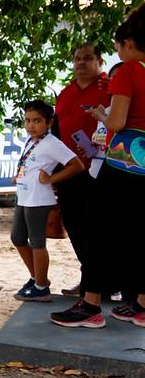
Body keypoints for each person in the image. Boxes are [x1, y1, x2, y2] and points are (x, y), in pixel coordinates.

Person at [51, 4, 145, 328]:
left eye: (118, 46)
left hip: (122, 159)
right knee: (137, 230)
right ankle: (141, 304)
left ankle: (90, 305)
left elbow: (118, 122)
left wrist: (104, 117)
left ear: (128, 44)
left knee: (93, 226)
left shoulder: (129, 71)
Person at [11, 99, 83, 302]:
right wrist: (20, 176)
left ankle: (42, 288)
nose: (31, 125)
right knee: (17, 238)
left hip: (39, 200)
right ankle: (36, 278)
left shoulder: (52, 143)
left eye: (37, 121)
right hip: (24, 197)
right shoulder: (32, 140)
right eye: (27, 121)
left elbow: (76, 165)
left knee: (36, 243)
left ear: (49, 123)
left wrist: (52, 179)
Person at [53, 43, 110, 296]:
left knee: (98, 228)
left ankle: (107, 284)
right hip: (69, 170)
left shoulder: (109, 89)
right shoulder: (66, 91)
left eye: (87, 58)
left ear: (99, 62)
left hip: (100, 171)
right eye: (77, 58)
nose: (80, 63)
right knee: (74, 225)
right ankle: (90, 279)